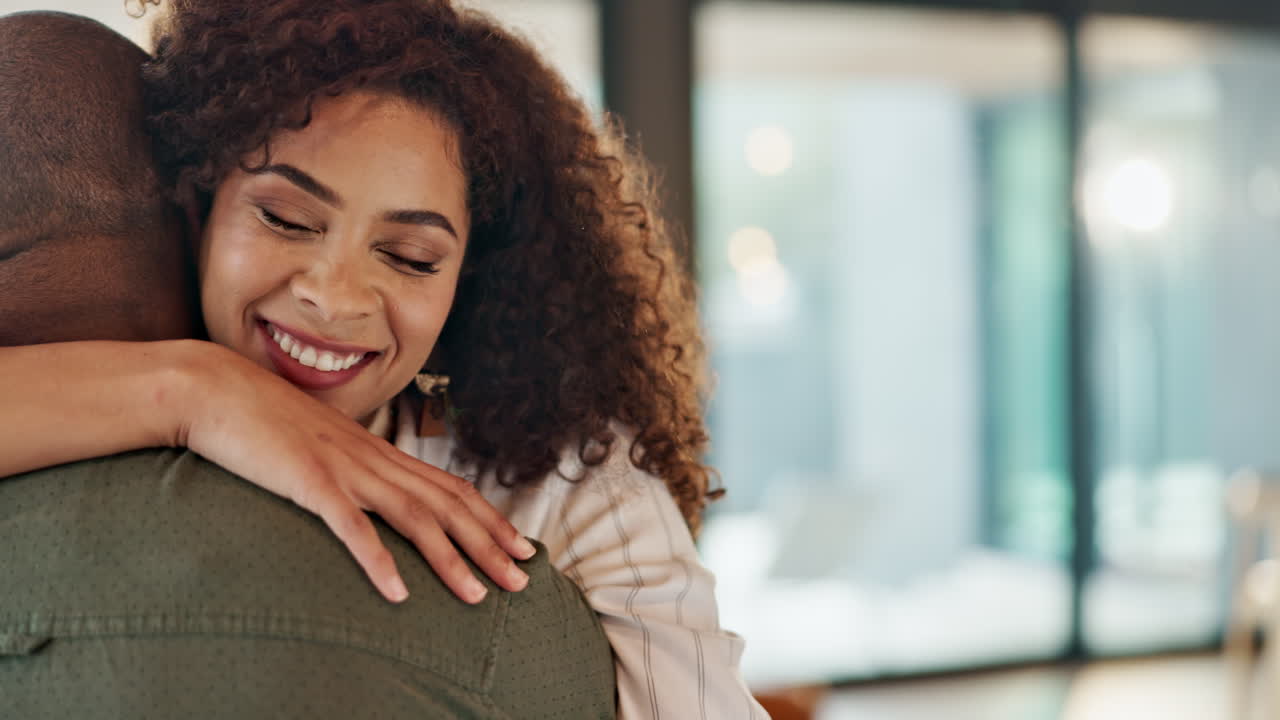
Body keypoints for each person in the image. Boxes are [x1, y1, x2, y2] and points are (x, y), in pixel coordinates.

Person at [2, 1, 769, 716]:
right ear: (199, 206)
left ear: (468, 283)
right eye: (284, 217)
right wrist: (195, 392)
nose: (335, 298)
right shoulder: (94, 390)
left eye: (408, 257)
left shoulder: (557, 487)